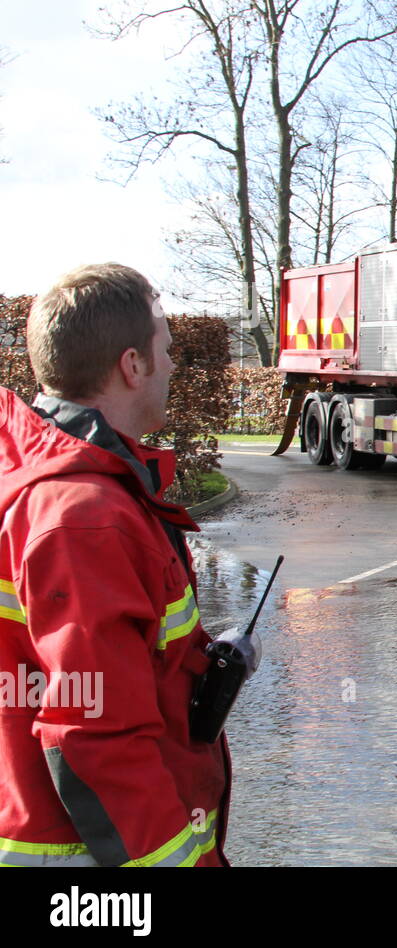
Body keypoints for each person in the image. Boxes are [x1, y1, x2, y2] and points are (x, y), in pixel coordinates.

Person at [0, 263, 230, 866]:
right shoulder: (85, 517)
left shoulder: (49, 480)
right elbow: (97, 737)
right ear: (132, 365)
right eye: (168, 350)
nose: (176, 366)